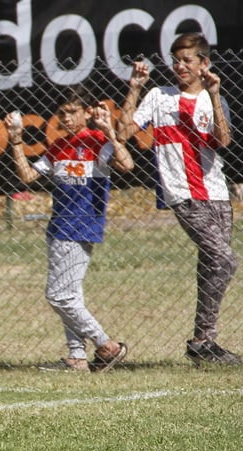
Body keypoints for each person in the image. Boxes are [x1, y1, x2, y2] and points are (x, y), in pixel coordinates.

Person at [117, 33, 240, 366]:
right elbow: (124, 132)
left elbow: (223, 140)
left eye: (187, 60)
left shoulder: (215, 98)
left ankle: (203, 343)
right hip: (182, 194)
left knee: (211, 266)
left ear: (204, 63)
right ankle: (203, 340)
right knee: (226, 260)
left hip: (216, 193)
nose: (179, 66)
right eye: (176, 60)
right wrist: (135, 87)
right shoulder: (159, 96)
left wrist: (214, 95)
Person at [5, 87, 133, 372]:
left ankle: (108, 346)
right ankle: (77, 357)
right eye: (61, 112)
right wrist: (16, 141)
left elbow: (126, 164)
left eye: (72, 111)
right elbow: (27, 176)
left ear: (87, 112)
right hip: (59, 226)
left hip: (81, 225)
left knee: (58, 296)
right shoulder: (58, 146)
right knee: (70, 295)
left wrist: (110, 132)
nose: (66, 117)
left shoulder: (97, 141)